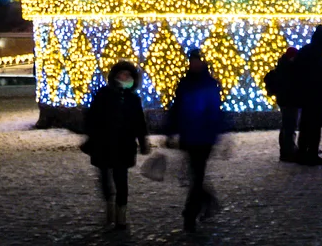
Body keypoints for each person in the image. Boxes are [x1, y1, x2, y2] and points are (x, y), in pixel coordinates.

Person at [84, 60, 151, 230]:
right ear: (115, 76)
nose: (125, 77)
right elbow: (92, 117)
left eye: (128, 75)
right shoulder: (104, 95)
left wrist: (143, 141)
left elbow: (139, 122)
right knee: (106, 179)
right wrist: (93, 135)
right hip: (104, 144)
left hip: (124, 145)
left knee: (121, 180)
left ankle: (120, 216)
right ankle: (109, 209)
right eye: (123, 74)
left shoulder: (133, 99)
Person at [167, 47, 226, 231]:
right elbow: (176, 109)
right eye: (192, 60)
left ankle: (191, 212)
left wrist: (217, 132)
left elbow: (215, 111)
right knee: (195, 175)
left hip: (204, 136)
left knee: (196, 175)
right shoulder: (186, 83)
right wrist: (171, 131)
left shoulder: (208, 84)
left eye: (197, 60)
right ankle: (205, 203)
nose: (195, 63)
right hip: (189, 135)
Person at [291, 26, 322, 166]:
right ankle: (311, 153)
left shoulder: (305, 52)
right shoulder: (317, 55)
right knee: (314, 126)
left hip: (306, 96)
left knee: (305, 125)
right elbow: (319, 79)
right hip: (314, 96)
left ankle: (303, 153)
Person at [264, 43, 301, 161]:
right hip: (289, 100)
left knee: (287, 125)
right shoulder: (288, 69)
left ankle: (286, 150)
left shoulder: (282, 67)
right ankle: (288, 151)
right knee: (289, 126)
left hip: (285, 100)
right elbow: (290, 85)